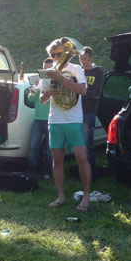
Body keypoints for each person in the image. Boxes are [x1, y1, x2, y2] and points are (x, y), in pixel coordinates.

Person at [40, 38, 91, 210]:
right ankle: (60, 197)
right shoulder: (48, 72)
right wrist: (49, 93)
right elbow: (42, 100)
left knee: (81, 157)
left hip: (73, 119)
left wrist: (61, 79)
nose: (56, 57)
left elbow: (82, 90)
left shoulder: (76, 69)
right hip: (55, 120)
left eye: (59, 54)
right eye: (53, 55)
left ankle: (86, 196)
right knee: (57, 160)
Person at [79, 46, 105, 182]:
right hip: (77, 112)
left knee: (87, 146)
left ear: (91, 58)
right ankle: (82, 174)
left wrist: (83, 92)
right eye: (81, 59)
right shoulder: (78, 71)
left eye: (85, 58)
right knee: (79, 146)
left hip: (89, 112)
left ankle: (91, 175)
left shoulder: (98, 72)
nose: (83, 61)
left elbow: (97, 93)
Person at [26, 56, 54, 180]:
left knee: (48, 149)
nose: (46, 72)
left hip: (50, 120)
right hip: (37, 120)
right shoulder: (39, 83)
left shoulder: (56, 83)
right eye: (44, 69)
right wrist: (34, 88)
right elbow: (30, 100)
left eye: (49, 69)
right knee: (33, 147)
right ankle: (31, 173)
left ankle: (47, 172)